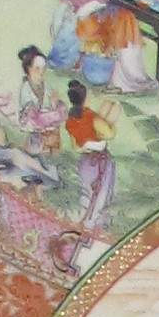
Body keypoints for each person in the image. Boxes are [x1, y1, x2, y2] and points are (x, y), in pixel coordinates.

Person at [59, 73, 116, 228]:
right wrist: (108, 123)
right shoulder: (91, 117)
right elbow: (110, 133)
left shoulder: (71, 121)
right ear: (85, 98)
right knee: (100, 195)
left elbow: (76, 147)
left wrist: (86, 143)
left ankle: (85, 222)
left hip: (85, 161)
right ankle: (92, 225)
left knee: (85, 194)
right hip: (99, 161)